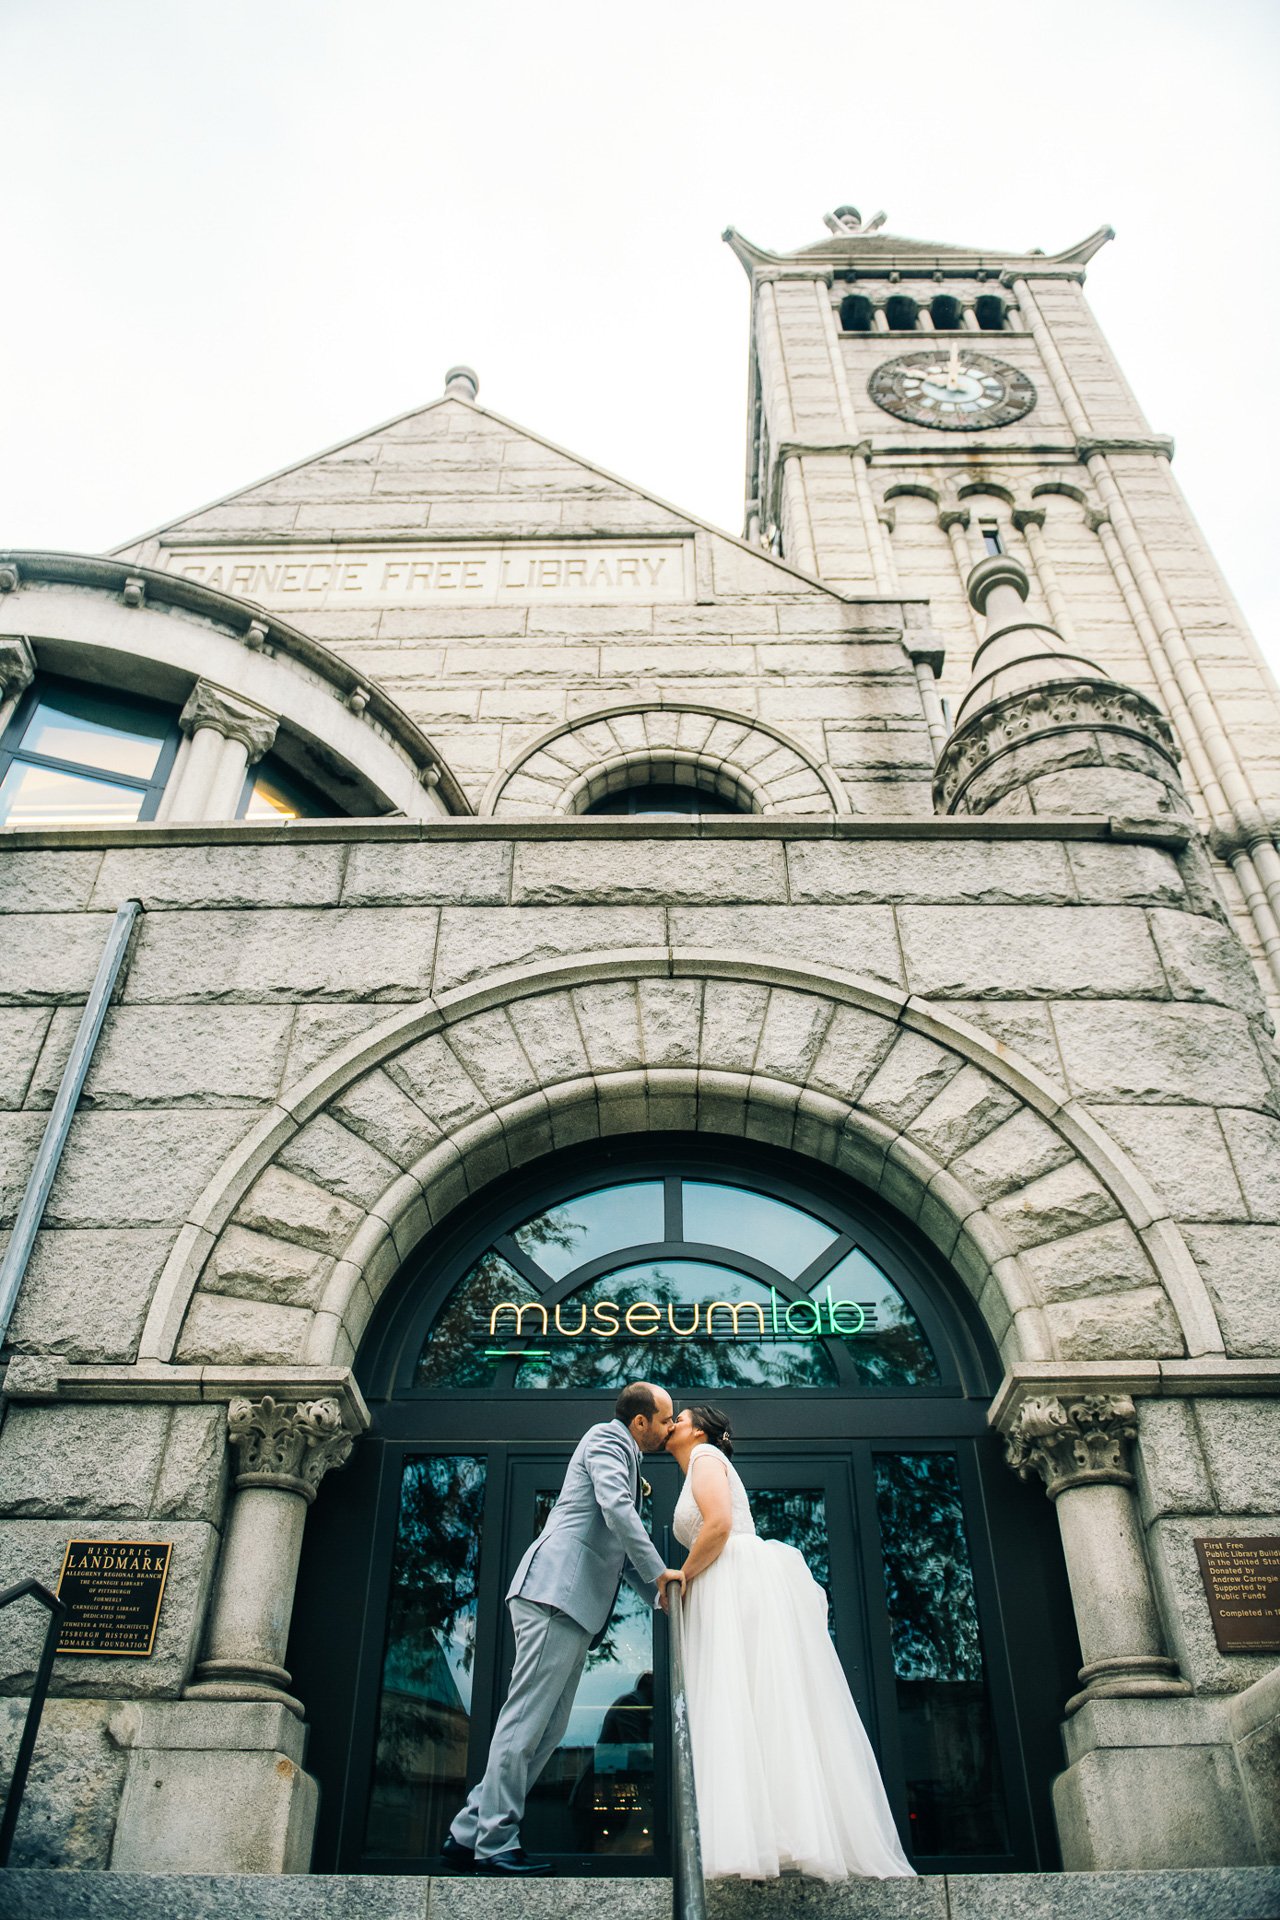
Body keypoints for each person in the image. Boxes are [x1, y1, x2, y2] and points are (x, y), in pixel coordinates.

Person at [666, 1404, 916, 1882]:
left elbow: (718, 1524)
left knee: (741, 1699)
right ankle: (770, 1834)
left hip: (730, 1577)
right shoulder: (698, 1464)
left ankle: (769, 1836)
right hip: (725, 1579)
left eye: (680, 1416)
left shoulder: (704, 1459)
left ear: (698, 1430)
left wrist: (683, 1575)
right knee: (753, 1705)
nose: (672, 1422)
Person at [443, 1381, 683, 1877]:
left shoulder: (627, 1455)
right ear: (640, 1421)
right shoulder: (606, 1439)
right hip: (554, 1594)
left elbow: (617, 1555)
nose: (668, 1428)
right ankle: (495, 1843)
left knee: (547, 1730)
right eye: (664, 1419)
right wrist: (663, 1573)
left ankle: (467, 1834)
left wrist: (662, 1597)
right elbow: (617, 1512)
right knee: (525, 1722)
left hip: (572, 1605)